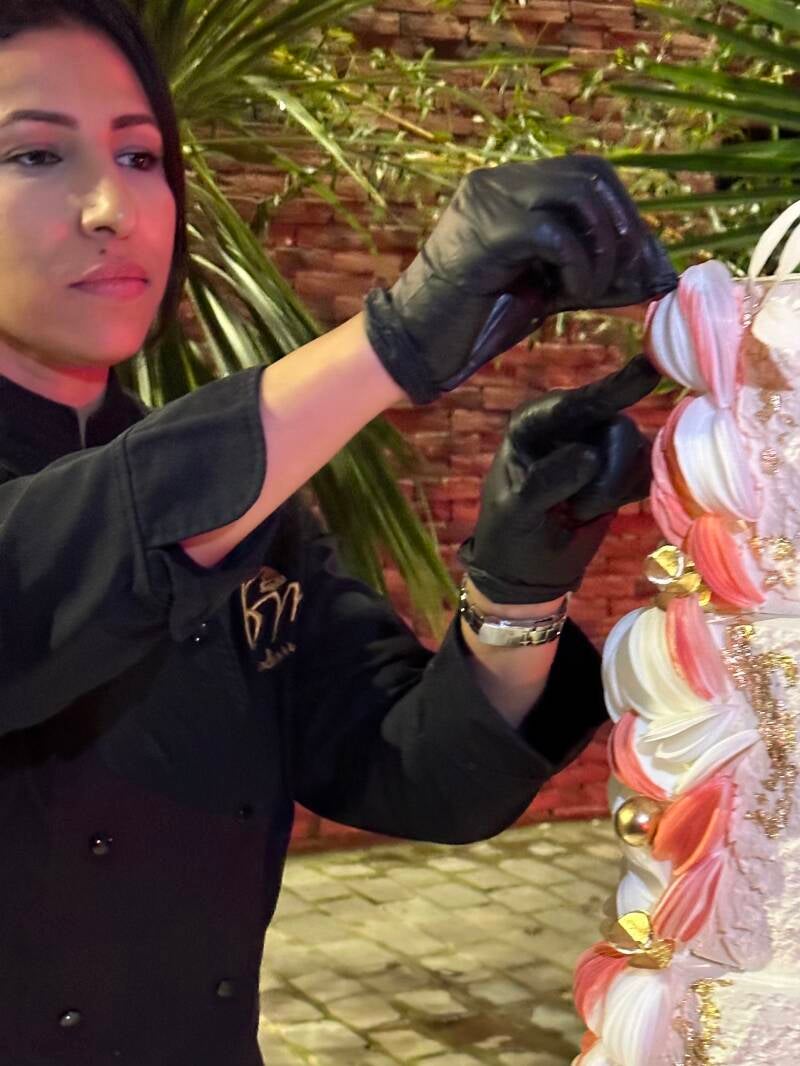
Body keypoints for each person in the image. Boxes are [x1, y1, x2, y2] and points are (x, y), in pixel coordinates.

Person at [0, 2, 677, 1064]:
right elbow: (38, 581)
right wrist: (390, 344)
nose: (110, 207)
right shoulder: (193, 492)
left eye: (139, 156)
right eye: (36, 154)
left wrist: (517, 585)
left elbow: (414, 768)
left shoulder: (238, 508)